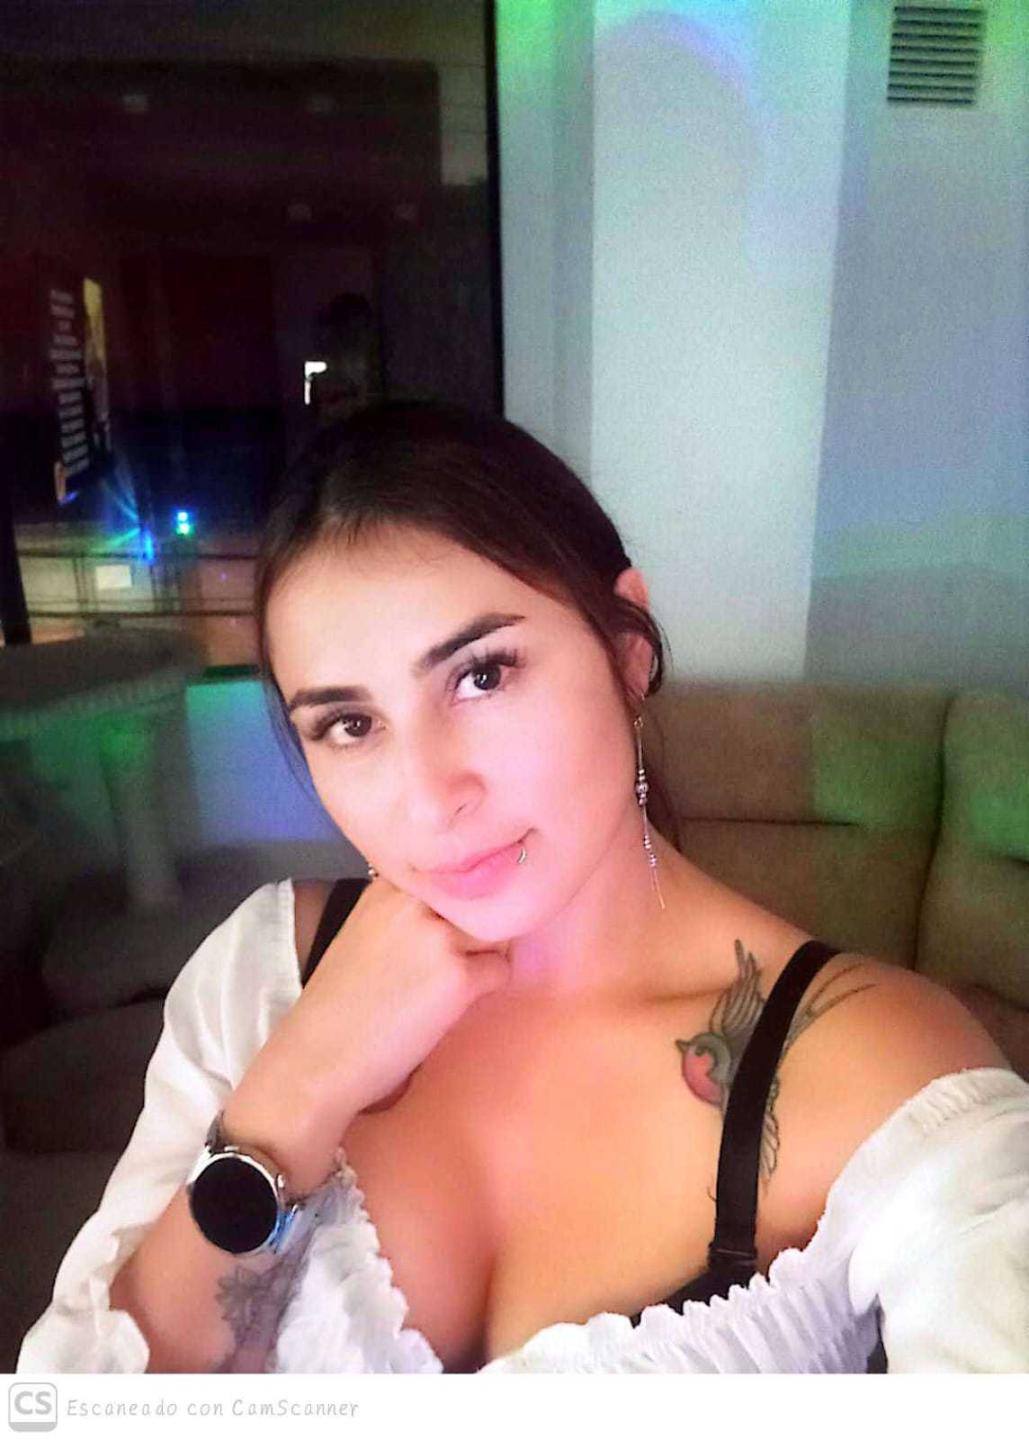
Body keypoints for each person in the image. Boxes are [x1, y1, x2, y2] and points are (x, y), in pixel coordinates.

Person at [18, 401, 1029, 1374]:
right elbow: (76, 1395)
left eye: (482, 676)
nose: (430, 797)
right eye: (350, 724)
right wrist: (294, 1093)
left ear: (627, 649)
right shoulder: (265, 972)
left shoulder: (884, 1071)